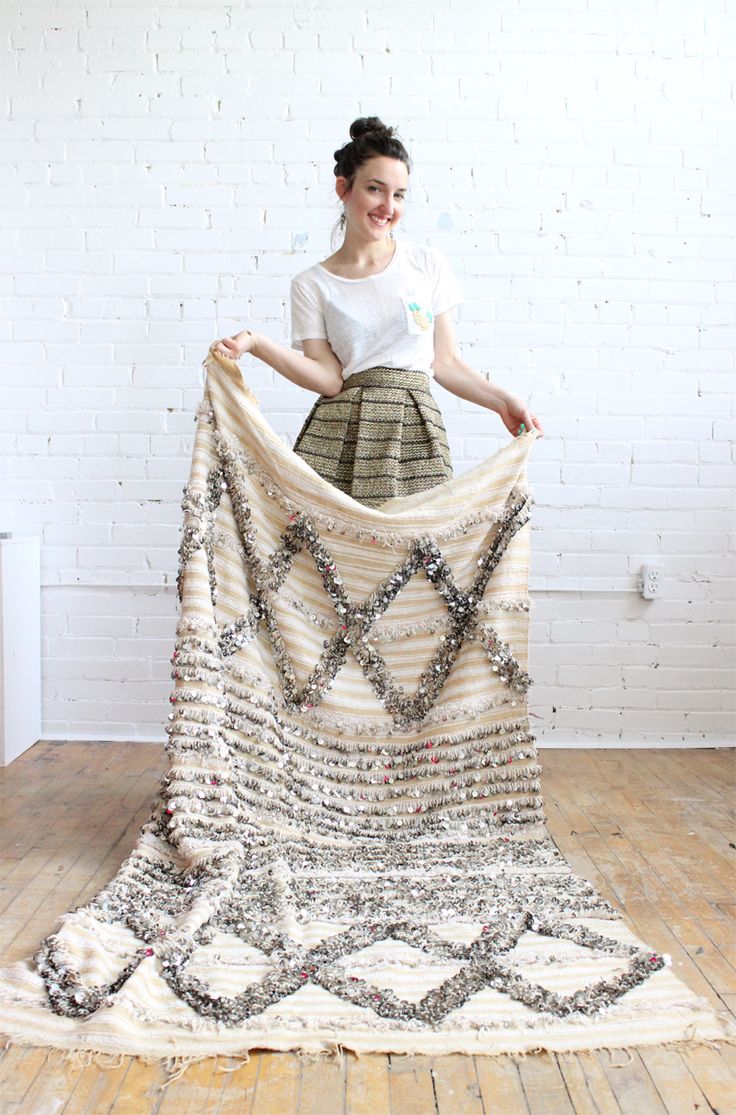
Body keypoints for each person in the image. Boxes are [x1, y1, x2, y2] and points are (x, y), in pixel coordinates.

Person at [210, 116, 543, 507]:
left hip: (414, 431)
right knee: (330, 558)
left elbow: (446, 362)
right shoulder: (311, 284)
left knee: (418, 556)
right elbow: (329, 378)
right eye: (375, 189)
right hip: (340, 436)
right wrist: (256, 343)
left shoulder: (426, 265)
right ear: (343, 189)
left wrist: (504, 402)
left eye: (399, 195)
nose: (388, 206)